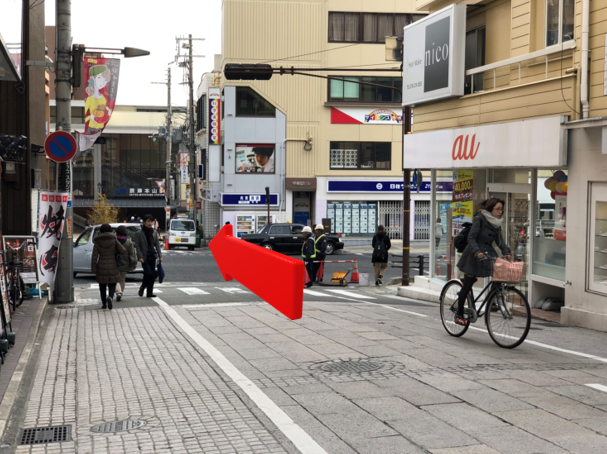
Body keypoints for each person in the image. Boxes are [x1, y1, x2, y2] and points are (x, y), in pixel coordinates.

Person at [454, 198, 512, 326]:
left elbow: (499, 240)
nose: (500, 212)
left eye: (501, 209)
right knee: (468, 284)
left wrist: (507, 252)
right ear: (490, 209)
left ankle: (492, 300)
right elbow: (471, 237)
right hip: (473, 253)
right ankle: (458, 313)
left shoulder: (496, 223)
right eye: (498, 209)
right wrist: (476, 252)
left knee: (498, 272)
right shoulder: (480, 218)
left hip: (488, 252)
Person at [91, 224, 126, 310]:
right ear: (110, 230)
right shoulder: (114, 239)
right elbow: (123, 250)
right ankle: (110, 297)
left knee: (102, 286)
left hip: (101, 265)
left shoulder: (97, 241)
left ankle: (103, 304)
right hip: (113, 264)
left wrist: (93, 268)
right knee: (112, 284)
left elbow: (94, 256)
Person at [134, 214, 163, 298]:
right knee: (149, 273)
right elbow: (137, 246)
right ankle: (143, 287)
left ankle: (149, 292)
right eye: (148, 221)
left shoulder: (154, 232)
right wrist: (140, 256)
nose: (150, 223)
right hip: (144, 256)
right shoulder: (139, 233)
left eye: (151, 221)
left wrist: (160, 255)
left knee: (152, 274)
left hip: (153, 256)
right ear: (144, 222)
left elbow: (157, 244)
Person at [115, 225, 138, 301]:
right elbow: (132, 254)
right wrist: (134, 264)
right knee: (122, 279)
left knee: (115, 279)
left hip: (115, 263)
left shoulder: (114, 241)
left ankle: (118, 291)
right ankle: (120, 293)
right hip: (125, 263)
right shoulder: (129, 242)